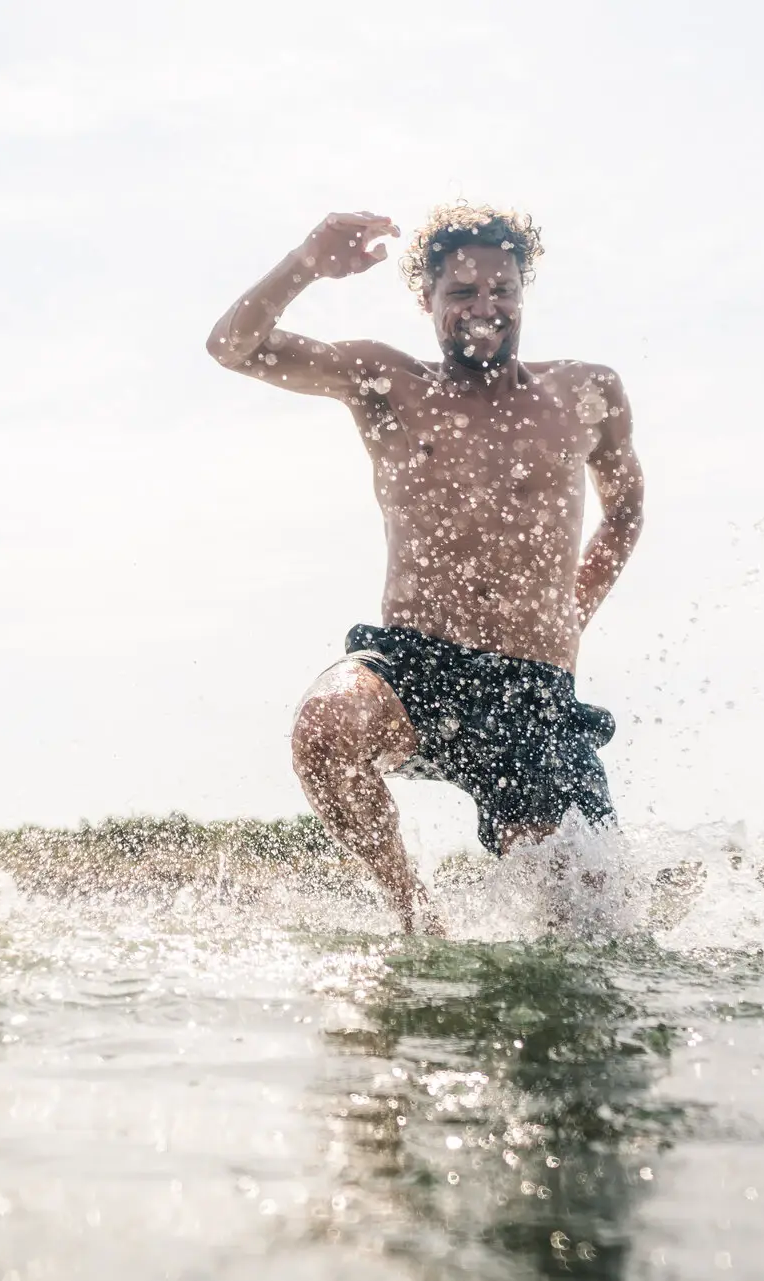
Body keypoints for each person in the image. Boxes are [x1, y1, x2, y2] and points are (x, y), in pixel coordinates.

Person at [206, 204, 644, 933]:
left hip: (531, 693)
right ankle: (414, 914)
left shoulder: (585, 393)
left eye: (501, 290)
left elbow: (625, 512)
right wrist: (308, 262)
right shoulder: (389, 384)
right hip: (417, 666)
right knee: (326, 729)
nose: (485, 309)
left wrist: (573, 608)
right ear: (429, 301)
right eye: (463, 293)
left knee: (594, 929)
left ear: (522, 291)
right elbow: (233, 346)